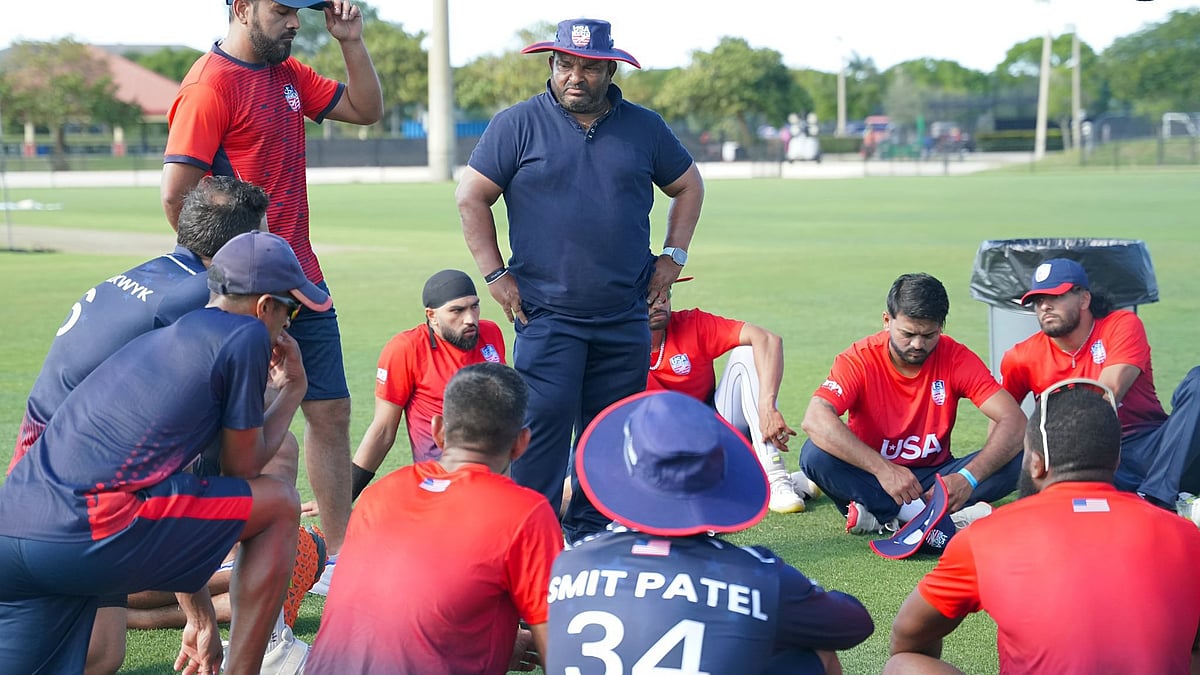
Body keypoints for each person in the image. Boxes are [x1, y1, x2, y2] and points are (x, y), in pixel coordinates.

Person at [0, 230, 329, 674]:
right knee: (278, 503)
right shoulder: (243, 335)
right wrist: (292, 389)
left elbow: (188, 488)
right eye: (289, 310)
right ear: (264, 306)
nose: (288, 324)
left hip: (15, 525)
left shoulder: (161, 339)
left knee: (91, 658)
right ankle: (257, 661)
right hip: (87, 528)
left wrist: (201, 615)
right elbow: (243, 468)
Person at [161, 0, 385, 589]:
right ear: (240, 7)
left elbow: (366, 108)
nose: (295, 23)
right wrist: (232, 278)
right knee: (246, 427)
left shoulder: (287, 74)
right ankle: (227, 551)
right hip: (244, 292)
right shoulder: (209, 87)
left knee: (331, 410)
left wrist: (350, 40)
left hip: (302, 278)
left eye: (300, 12)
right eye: (283, 10)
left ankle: (337, 557)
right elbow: (177, 198)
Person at [455, 17, 705, 542]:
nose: (575, 76)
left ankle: (593, 532)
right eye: (566, 63)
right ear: (551, 64)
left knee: (609, 434)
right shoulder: (516, 124)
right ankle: (535, 536)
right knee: (540, 433)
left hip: (624, 313)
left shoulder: (645, 128)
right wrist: (495, 274)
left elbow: (688, 185)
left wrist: (674, 255)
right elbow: (471, 196)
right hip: (546, 315)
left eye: (590, 67)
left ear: (610, 70)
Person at [547, 390, 874, 674]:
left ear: (624, 475)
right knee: (813, 651)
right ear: (723, 478)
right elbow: (854, 625)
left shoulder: (570, 561)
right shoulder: (755, 574)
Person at [885, 380, 1200, 674]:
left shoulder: (985, 537)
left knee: (902, 666)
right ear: (1115, 461)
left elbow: (908, 637)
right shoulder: (1187, 535)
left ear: (1036, 464)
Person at [306, 362, 562, 674]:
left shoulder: (380, 493)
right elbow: (559, 650)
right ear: (521, 443)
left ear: (438, 430)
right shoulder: (526, 512)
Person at [800, 273, 1026, 535]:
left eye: (929, 335)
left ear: (941, 326)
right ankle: (929, 517)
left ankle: (886, 516)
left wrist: (968, 478)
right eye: (908, 334)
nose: (918, 344)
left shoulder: (955, 357)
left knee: (1026, 457)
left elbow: (1014, 420)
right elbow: (815, 418)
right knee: (814, 455)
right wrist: (883, 470)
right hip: (873, 476)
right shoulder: (859, 359)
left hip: (935, 477)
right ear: (887, 321)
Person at [999, 257, 1200, 508]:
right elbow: (1003, 424)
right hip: (1084, 459)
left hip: (1150, 447)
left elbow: (1108, 396)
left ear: (1084, 299)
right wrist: (973, 477)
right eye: (1038, 300)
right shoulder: (1021, 356)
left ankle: (1155, 496)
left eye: (1056, 297)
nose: (1045, 307)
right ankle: (950, 503)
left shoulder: (1121, 325)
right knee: (1003, 457)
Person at [644, 279, 814, 513]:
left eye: (666, 291)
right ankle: (766, 484)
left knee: (747, 352)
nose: (661, 301)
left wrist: (767, 408)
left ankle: (776, 478)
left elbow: (767, 339)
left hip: (714, 434)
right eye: (650, 295)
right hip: (661, 453)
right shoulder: (616, 349)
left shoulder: (691, 324)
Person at [347, 269, 506, 501]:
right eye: (457, 310)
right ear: (431, 316)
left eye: (474, 306)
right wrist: (343, 495)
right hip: (441, 481)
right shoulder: (406, 349)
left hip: (497, 470)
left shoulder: (491, 333)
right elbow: (382, 431)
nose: (470, 319)